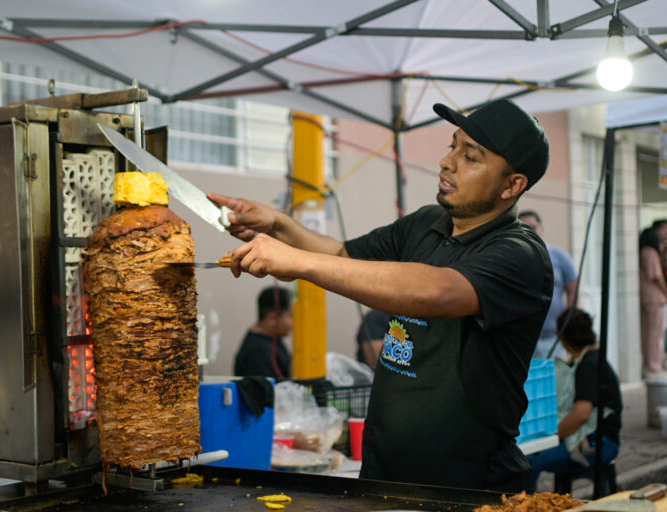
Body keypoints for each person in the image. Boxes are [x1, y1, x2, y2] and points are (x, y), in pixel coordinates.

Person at [208, 98, 553, 492]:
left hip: (467, 485)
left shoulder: (521, 254)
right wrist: (279, 226)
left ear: (513, 185)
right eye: (452, 145)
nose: (448, 162)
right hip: (384, 471)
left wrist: (297, 263)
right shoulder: (426, 224)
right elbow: (342, 255)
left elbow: (440, 291)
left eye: (470, 156)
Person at [527, 308, 622, 487]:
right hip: (603, 438)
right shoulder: (595, 358)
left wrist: (553, 437)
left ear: (564, 339)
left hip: (600, 443)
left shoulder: (588, 366)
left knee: (526, 463)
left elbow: (581, 414)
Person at [518, 210, 578, 360]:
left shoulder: (559, 256)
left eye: (532, 227)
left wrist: (567, 323)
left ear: (541, 229)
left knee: (553, 381)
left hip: (553, 338)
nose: (528, 232)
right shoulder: (512, 260)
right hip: (522, 339)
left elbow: (574, 290)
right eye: (522, 228)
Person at [234, 286, 293, 379]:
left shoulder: (273, 339)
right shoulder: (258, 353)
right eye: (290, 316)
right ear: (273, 318)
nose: (295, 322)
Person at [639, 227, 667, 380]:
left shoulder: (645, 252)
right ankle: (654, 366)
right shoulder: (650, 253)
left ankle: (652, 364)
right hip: (654, 297)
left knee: (651, 333)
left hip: (650, 297)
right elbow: (656, 276)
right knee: (655, 334)